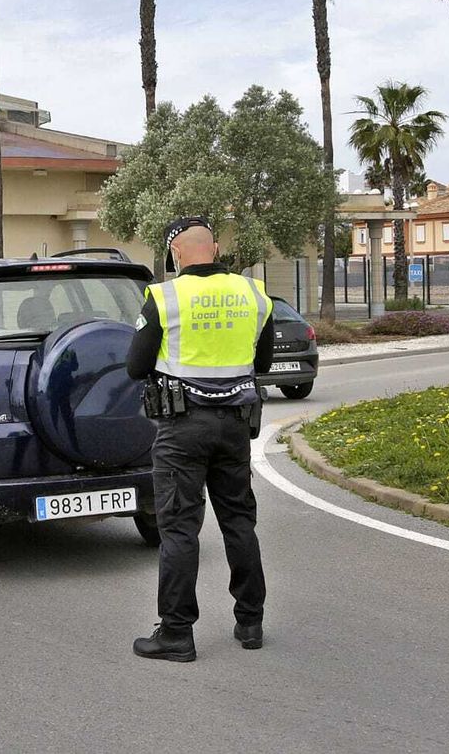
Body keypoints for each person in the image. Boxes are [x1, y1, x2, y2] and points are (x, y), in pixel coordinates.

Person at [123, 217, 275, 662]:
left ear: (176, 253)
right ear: (215, 248)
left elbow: (135, 367)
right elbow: (263, 361)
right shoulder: (253, 293)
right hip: (235, 425)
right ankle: (251, 622)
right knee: (239, 522)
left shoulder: (164, 297)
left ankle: (176, 633)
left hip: (182, 428)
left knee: (178, 529)